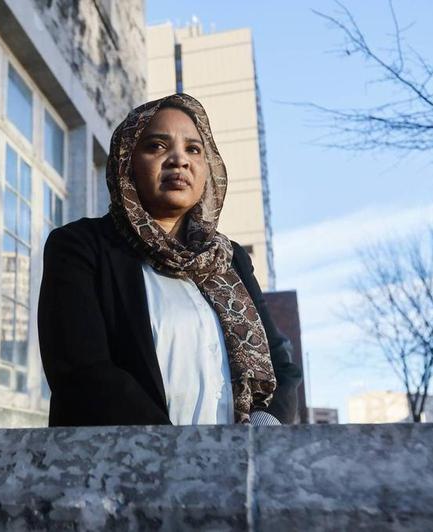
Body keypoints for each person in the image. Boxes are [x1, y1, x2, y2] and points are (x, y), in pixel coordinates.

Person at [38, 93, 302, 426]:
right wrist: (175, 448)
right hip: (129, 455)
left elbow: (282, 366)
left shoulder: (229, 258)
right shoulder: (81, 246)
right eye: (157, 146)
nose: (179, 160)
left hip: (238, 454)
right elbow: (82, 372)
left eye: (194, 149)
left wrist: (263, 428)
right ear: (126, 162)